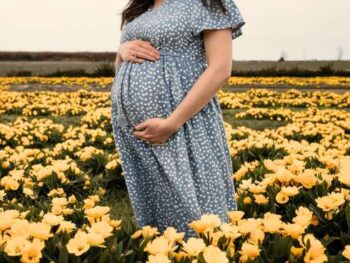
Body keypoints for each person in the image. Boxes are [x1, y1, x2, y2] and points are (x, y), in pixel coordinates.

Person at [110, 0, 245, 241]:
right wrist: (122, 52)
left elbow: (220, 69)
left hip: (184, 123)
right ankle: (164, 251)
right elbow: (123, 66)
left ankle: (204, 251)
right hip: (135, 131)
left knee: (195, 200)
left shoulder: (206, 3)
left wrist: (172, 122)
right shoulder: (140, 8)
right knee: (155, 200)